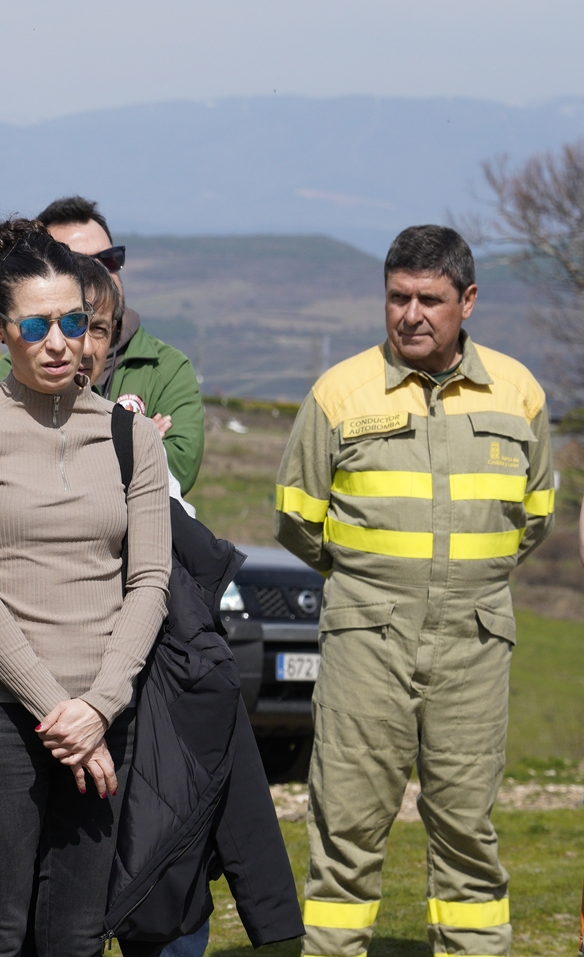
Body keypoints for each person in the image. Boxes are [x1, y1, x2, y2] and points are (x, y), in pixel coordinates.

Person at [275, 225, 555, 957]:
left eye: (430, 299)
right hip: (368, 638)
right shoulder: (339, 392)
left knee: (467, 823)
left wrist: (467, 579)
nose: (411, 314)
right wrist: (373, 584)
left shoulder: (519, 393)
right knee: (347, 822)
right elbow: (298, 517)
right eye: (398, 297)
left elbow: (536, 515)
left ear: (467, 301)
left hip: (475, 639)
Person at [0, 219, 170, 956]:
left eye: (76, 321)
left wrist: (99, 707)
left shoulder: (135, 438)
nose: (60, 341)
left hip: (103, 719)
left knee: (76, 933)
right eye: (37, 324)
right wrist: (58, 711)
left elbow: (150, 580)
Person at [0, 196, 204, 493]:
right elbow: (5, 464)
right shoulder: (17, 364)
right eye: (77, 262)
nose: (100, 272)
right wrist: (136, 444)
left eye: (109, 259)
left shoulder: (166, 367)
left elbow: (180, 468)